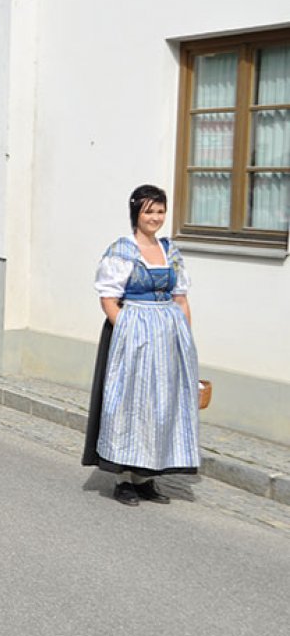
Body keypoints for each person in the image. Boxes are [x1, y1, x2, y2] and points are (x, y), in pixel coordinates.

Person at [83, 185, 198, 506]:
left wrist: (183, 338)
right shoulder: (122, 250)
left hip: (167, 338)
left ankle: (146, 477)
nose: (155, 218)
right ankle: (123, 479)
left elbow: (181, 298)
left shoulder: (170, 251)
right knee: (130, 405)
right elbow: (108, 299)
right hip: (132, 336)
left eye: (160, 211)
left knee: (160, 405)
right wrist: (130, 332)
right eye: (149, 211)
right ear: (136, 213)